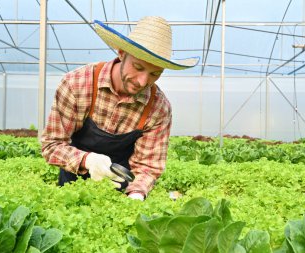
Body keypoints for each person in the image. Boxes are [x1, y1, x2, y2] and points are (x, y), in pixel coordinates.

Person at [41, 16, 199, 201]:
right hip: (72, 187)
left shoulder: (158, 109)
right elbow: (52, 145)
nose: (142, 81)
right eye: (138, 67)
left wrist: (137, 194)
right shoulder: (77, 84)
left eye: (154, 74)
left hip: (121, 190)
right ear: (121, 53)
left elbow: (147, 166)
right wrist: (88, 160)